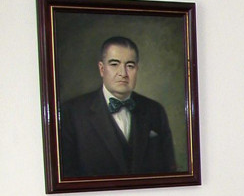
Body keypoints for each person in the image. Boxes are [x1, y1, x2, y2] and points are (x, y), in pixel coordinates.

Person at [58, 36, 178, 179]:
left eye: (130, 66)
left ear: (137, 69)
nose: (123, 73)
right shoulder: (71, 113)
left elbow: (169, 171)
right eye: (114, 64)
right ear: (102, 69)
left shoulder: (155, 110)